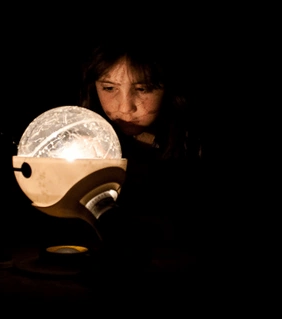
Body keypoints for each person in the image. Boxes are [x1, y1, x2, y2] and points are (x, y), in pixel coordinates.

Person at [77, 40, 207, 269]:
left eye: (143, 89)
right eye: (109, 88)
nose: (125, 108)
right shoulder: (79, 146)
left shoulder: (193, 148)